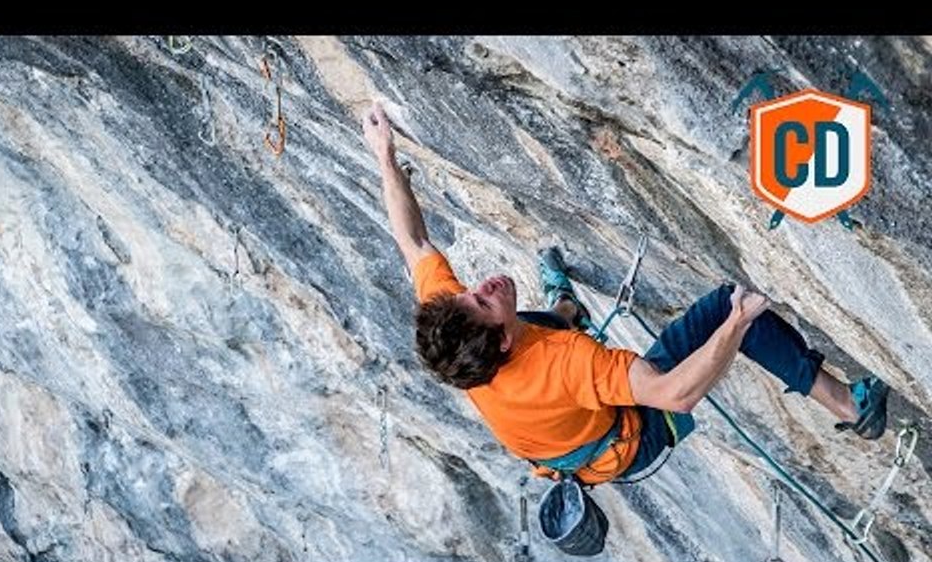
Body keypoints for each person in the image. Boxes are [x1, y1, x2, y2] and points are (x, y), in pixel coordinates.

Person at [361, 104, 890, 485]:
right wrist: (736, 322)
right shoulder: (565, 362)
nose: (481, 287)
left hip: (562, 424)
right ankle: (849, 406)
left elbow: (413, 240)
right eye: (482, 302)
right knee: (727, 303)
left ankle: (566, 305)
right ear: (500, 344)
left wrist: (385, 157)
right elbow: (673, 394)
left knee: (551, 318)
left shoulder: (459, 338)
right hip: (630, 437)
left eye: (468, 294)